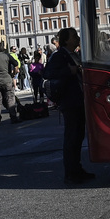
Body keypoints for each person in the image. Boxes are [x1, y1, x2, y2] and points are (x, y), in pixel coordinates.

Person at [43, 27, 95, 184]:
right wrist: (69, 70)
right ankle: (71, 171)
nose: (77, 38)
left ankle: (77, 168)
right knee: (71, 136)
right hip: (70, 101)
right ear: (66, 40)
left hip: (79, 100)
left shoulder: (76, 54)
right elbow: (47, 73)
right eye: (74, 36)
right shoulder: (59, 56)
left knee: (78, 136)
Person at [0, 43, 20, 126]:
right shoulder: (7, 56)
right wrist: (13, 73)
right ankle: (13, 117)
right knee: (10, 98)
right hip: (7, 79)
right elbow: (16, 63)